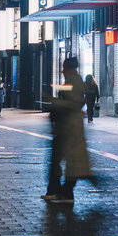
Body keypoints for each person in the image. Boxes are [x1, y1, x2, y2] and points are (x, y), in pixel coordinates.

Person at [43, 57, 92, 204]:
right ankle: (61, 192)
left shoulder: (75, 82)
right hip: (65, 128)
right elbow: (69, 94)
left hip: (68, 129)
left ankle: (60, 192)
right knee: (65, 162)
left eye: (64, 68)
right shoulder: (73, 81)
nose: (62, 71)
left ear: (70, 69)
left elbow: (73, 103)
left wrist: (53, 101)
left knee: (59, 161)